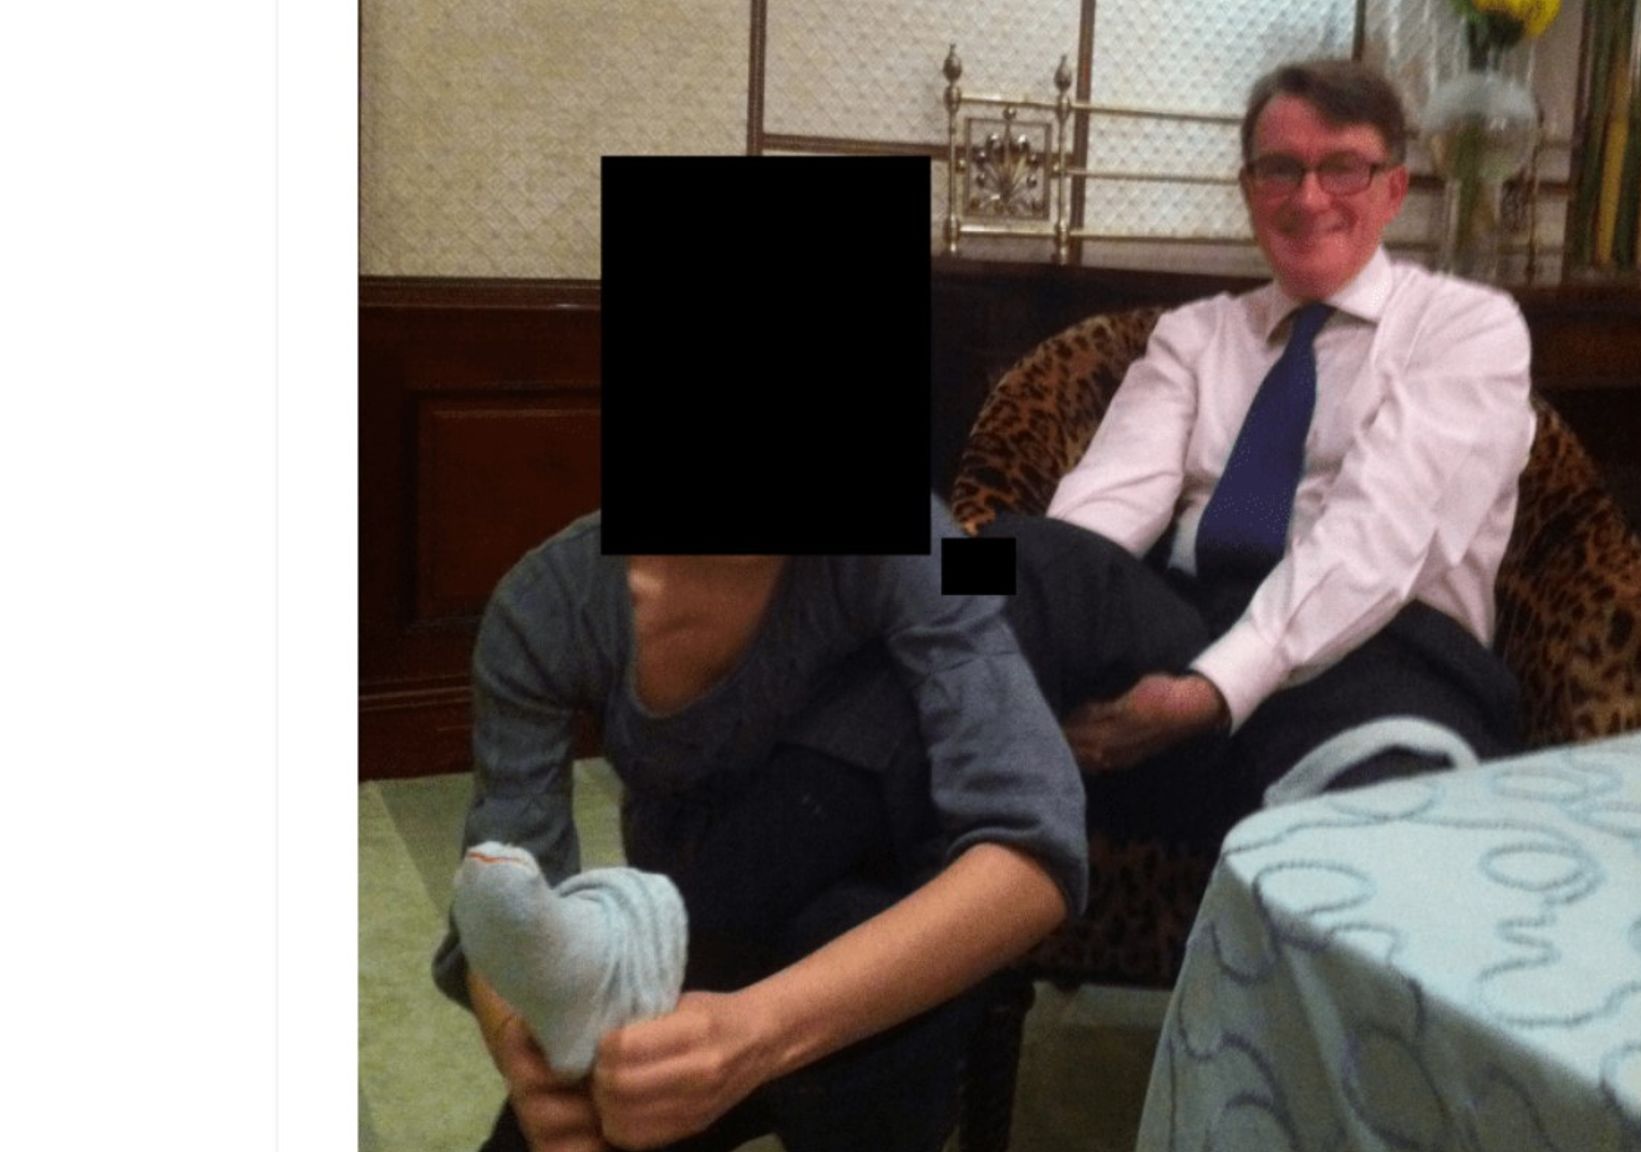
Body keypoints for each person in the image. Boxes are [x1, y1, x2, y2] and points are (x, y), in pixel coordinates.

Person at [986, 58, 1535, 849]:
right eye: (1280, 169)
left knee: (1387, 828)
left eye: (1342, 168)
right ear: (1249, 190)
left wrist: (1215, 690)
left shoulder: (1467, 327)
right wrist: (1002, 582)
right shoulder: (1196, 335)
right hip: (1186, 628)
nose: (1308, 199)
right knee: (997, 557)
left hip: (1382, 656)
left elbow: (1380, 538)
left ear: (1393, 189)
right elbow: (1100, 512)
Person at [431, 493, 1086, 1152]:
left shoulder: (919, 543)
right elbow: (503, 886)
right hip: (699, 906)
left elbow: (1037, 847)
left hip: (877, 896)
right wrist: (527, 1060)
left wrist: (754, 1033)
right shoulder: (545, 605)